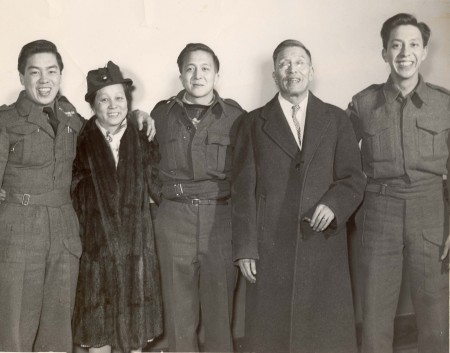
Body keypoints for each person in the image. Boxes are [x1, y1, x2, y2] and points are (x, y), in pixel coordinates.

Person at [0, 40, 153, 352]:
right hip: (20, 228)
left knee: (58, 325)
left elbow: (106, 125)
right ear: (21, 77)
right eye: (35, 72)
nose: (44, 80)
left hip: (65, 231)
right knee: (15, 324)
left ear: (60, 75)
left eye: (52, 71)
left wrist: (138, 113)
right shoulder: (6, 121)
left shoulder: (71, 118)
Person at [232, 39, 366, 353]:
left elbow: (353, 178)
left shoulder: (336, 119)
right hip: (270, 248)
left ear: (311, 71)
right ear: (275, 75)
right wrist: (245, 248)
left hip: (323, 246)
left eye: (300, 62)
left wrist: (333, 206)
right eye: (284, 64)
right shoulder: (251, 123)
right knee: (272, 336)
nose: (293, 70)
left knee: (325, 336)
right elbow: (243, 191)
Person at [347, 13, 449, 353]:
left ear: (424, 52)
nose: (405, 52)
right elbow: (344, 164)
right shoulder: (363, 104)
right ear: (384, 53)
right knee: (375, 313)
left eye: (413, 45)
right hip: (380, 213)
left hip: (431, 211)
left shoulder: (444, 104)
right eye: (396, 45)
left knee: (435, 314)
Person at [150, 43, 245, 352]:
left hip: (219, 221)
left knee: (220, 314)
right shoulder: (161, 114)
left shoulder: (235, 116)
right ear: (180, 75)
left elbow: (247, 172)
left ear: (216, 74)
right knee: (179, 315)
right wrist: (167, 199)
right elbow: (147, 165)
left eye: (205, 68)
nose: (198, 74)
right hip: (173, 219)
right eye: (190, 68)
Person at [71, 61, 163, 353]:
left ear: (129, 101)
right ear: (92, 105)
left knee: (135, 337)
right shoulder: (80, 142)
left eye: (119, 98)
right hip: (96, 254)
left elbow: (157, 188)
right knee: (100, 337)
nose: (113, 106)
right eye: (104, 99)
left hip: (137, 254)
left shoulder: (143, 136)